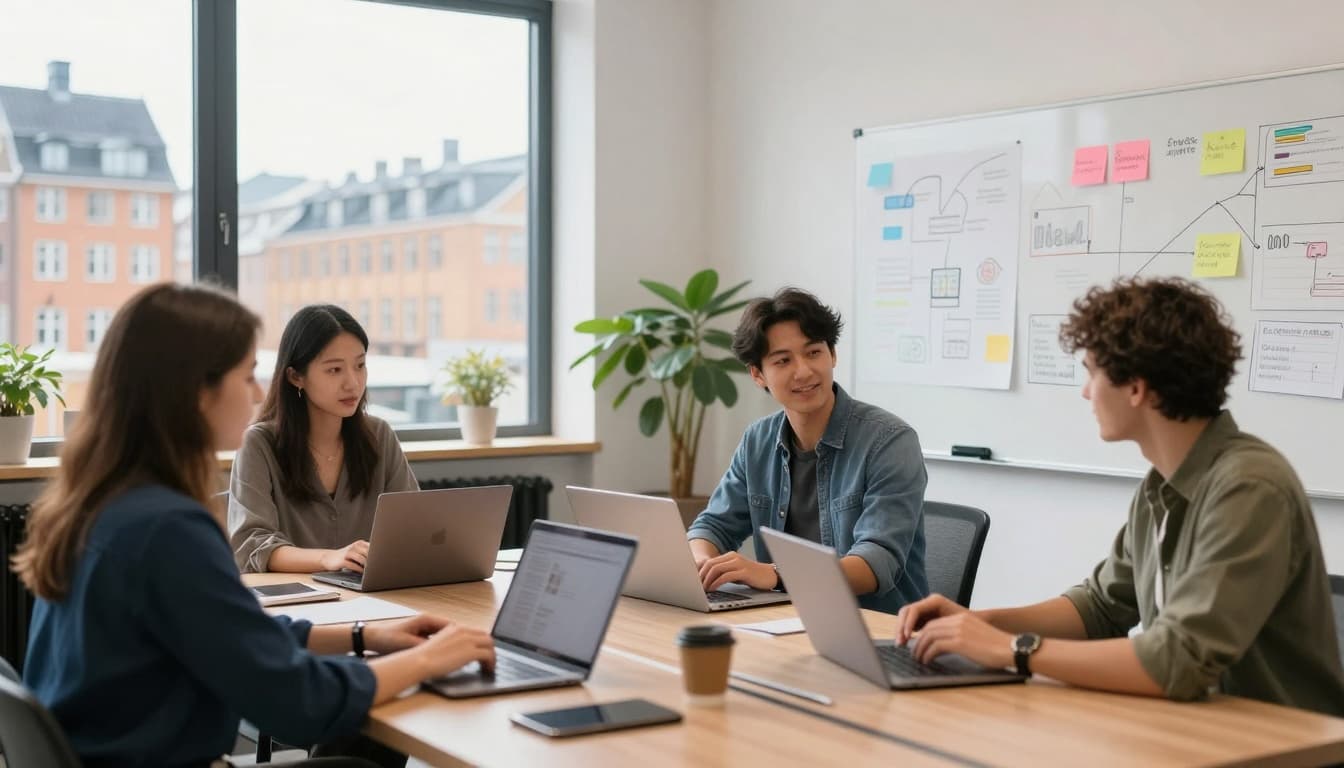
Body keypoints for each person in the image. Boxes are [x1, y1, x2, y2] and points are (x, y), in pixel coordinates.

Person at [12, 284, 495, 767]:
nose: (259, 393)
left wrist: (363, 635)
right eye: (246, 377)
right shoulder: (168, 530)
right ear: (196, 392)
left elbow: (235, 632)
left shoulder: (106, 503)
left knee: (361, 742)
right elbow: (298, 704)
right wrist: (428, 660)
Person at [895, 277, 1344, 716]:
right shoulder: (1163, 483)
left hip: (1281, 746)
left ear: (1136, 387)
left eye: (1093, 373)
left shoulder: (1249, 487)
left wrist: (1013, 649)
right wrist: (982, 625)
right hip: (1197, 729)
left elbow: (1178, 660)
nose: (1086, 391)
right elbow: (1102, 606)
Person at [686, 287, 928, 614]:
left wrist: (774, 575)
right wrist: (701, 562)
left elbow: (876, 563)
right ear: (758, 374)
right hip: (785, 623)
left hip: (876, 631)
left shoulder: (889, 441)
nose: (803, 371)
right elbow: (712, 526)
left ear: (833, 355)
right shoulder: (757, 441)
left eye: (813, 352)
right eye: (783, 360)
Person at [229, 304, 416, 574]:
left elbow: (412, 525)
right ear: (295, 376)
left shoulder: (380, 435)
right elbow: (252, 545)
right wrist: (329, 558)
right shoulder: (258, 444)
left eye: (360, 365)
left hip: (374, 595)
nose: (352, 383)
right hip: (295, 601)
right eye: (334, 370)